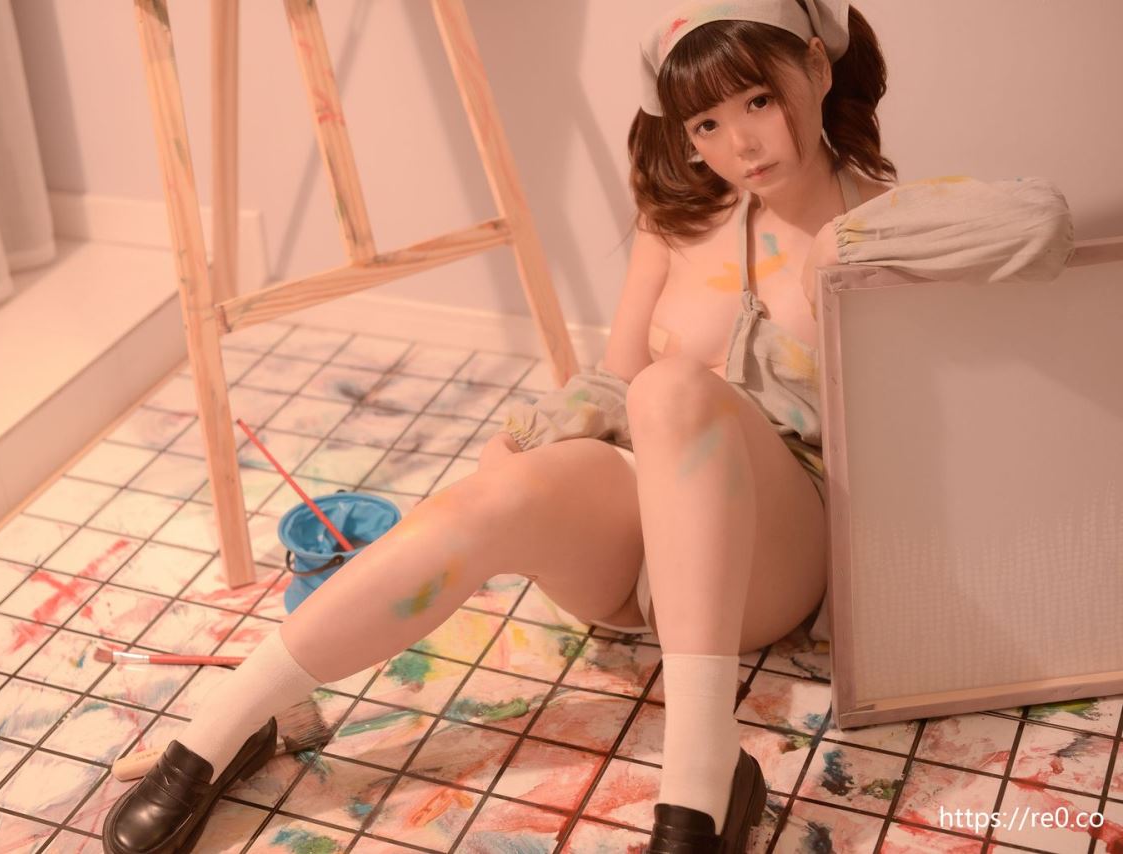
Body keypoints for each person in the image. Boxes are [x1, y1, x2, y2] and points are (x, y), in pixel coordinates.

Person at [101, 0, 1074, 851]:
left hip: (777, 553)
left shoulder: (880, 222)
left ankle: (702, 771)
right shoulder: (675, 223)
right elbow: (613, 382)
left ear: (815, 68)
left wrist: (849, 242)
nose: (739, 143)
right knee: (506, 488)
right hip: (646, 547)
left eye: (758, 99)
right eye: (706, 121)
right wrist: (540, 439)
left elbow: (1039, 222)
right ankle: (226, 723)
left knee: (673, 390)